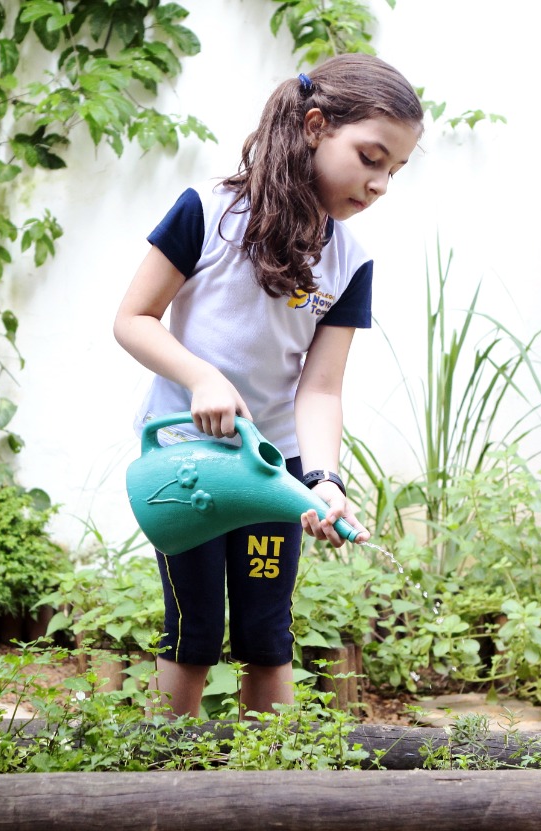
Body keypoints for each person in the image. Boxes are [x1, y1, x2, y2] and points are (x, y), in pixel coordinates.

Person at [113, 54, 423, 717]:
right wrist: (201, 377)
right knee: (191, 631)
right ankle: (164, 789)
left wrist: (323, 480)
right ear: (315, 125)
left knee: (266, 632)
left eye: (394, 170)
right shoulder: (206, 212)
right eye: (371, 157)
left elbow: (320, 390)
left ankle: (273, 793)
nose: (381, 184)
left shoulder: (350, 261)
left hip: (268, 470)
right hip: (186, 466)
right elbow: (132, 320)